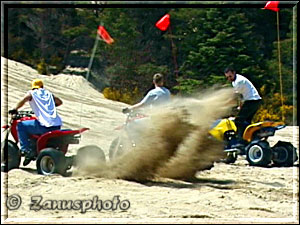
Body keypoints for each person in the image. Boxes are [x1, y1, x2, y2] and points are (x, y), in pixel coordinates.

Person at [9, 79, 63, 166]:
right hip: (56, 125)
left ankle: (26, 150)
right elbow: (59, 102)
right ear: (42, 86)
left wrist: (14, 109)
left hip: (44, 126)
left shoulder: (32, 93)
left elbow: (23, 100)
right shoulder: (48, 94)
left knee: (20, 125)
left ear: (33, 87)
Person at [224, 67, 262, 147]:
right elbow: (241, 97)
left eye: (230, 76)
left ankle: (240, 141)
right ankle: (249, 140)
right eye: (227, 77)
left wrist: (224, 105)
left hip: (252, 101)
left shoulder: (239, 81)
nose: (229, 79)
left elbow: (234, 97)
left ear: (234, 73)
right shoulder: (234, 81)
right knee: (246, 122)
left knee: (238, 121)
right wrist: (240, 106)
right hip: (253, 101)